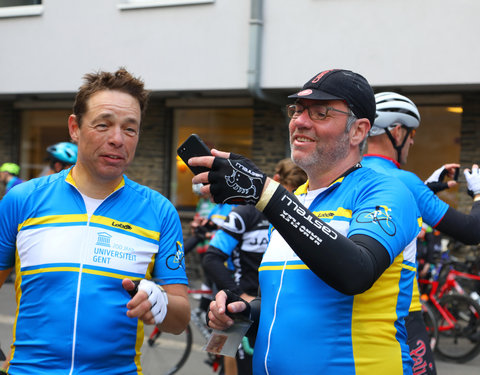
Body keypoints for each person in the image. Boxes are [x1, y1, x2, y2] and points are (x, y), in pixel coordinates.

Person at [190, 69, 421, 374]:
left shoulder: (386, 191)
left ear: (358, 131)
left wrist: (267, 194)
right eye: (297, 110)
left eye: (320, 113)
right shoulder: (293, 201)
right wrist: (244, 311)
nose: (299, 121)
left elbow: (356, 273)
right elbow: (290, 305)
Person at [0, 68, 190, 374]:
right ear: (75, 128)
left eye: (130, 129)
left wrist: (160, 302)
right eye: (103, 125)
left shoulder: (159, 211)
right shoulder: (22, 200)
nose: (117, 139)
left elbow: (180, 320)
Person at [362, 91, 480, 375]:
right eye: (412, 134)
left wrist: (428, 187)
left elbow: (387, 210)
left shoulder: (346, 174)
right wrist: (478, 193)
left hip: (356, 319)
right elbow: (471, 231)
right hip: (401, 315)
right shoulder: (405, 181)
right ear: (397, 131)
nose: (413, 141)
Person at [202, 158, 307, 375]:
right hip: (244, 307)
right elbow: (212, 257)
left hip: (281, 311)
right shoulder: (245, 214)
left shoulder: (300, 216)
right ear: (275, 181)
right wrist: (240, 295)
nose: (289, 202)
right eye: (286, 194)